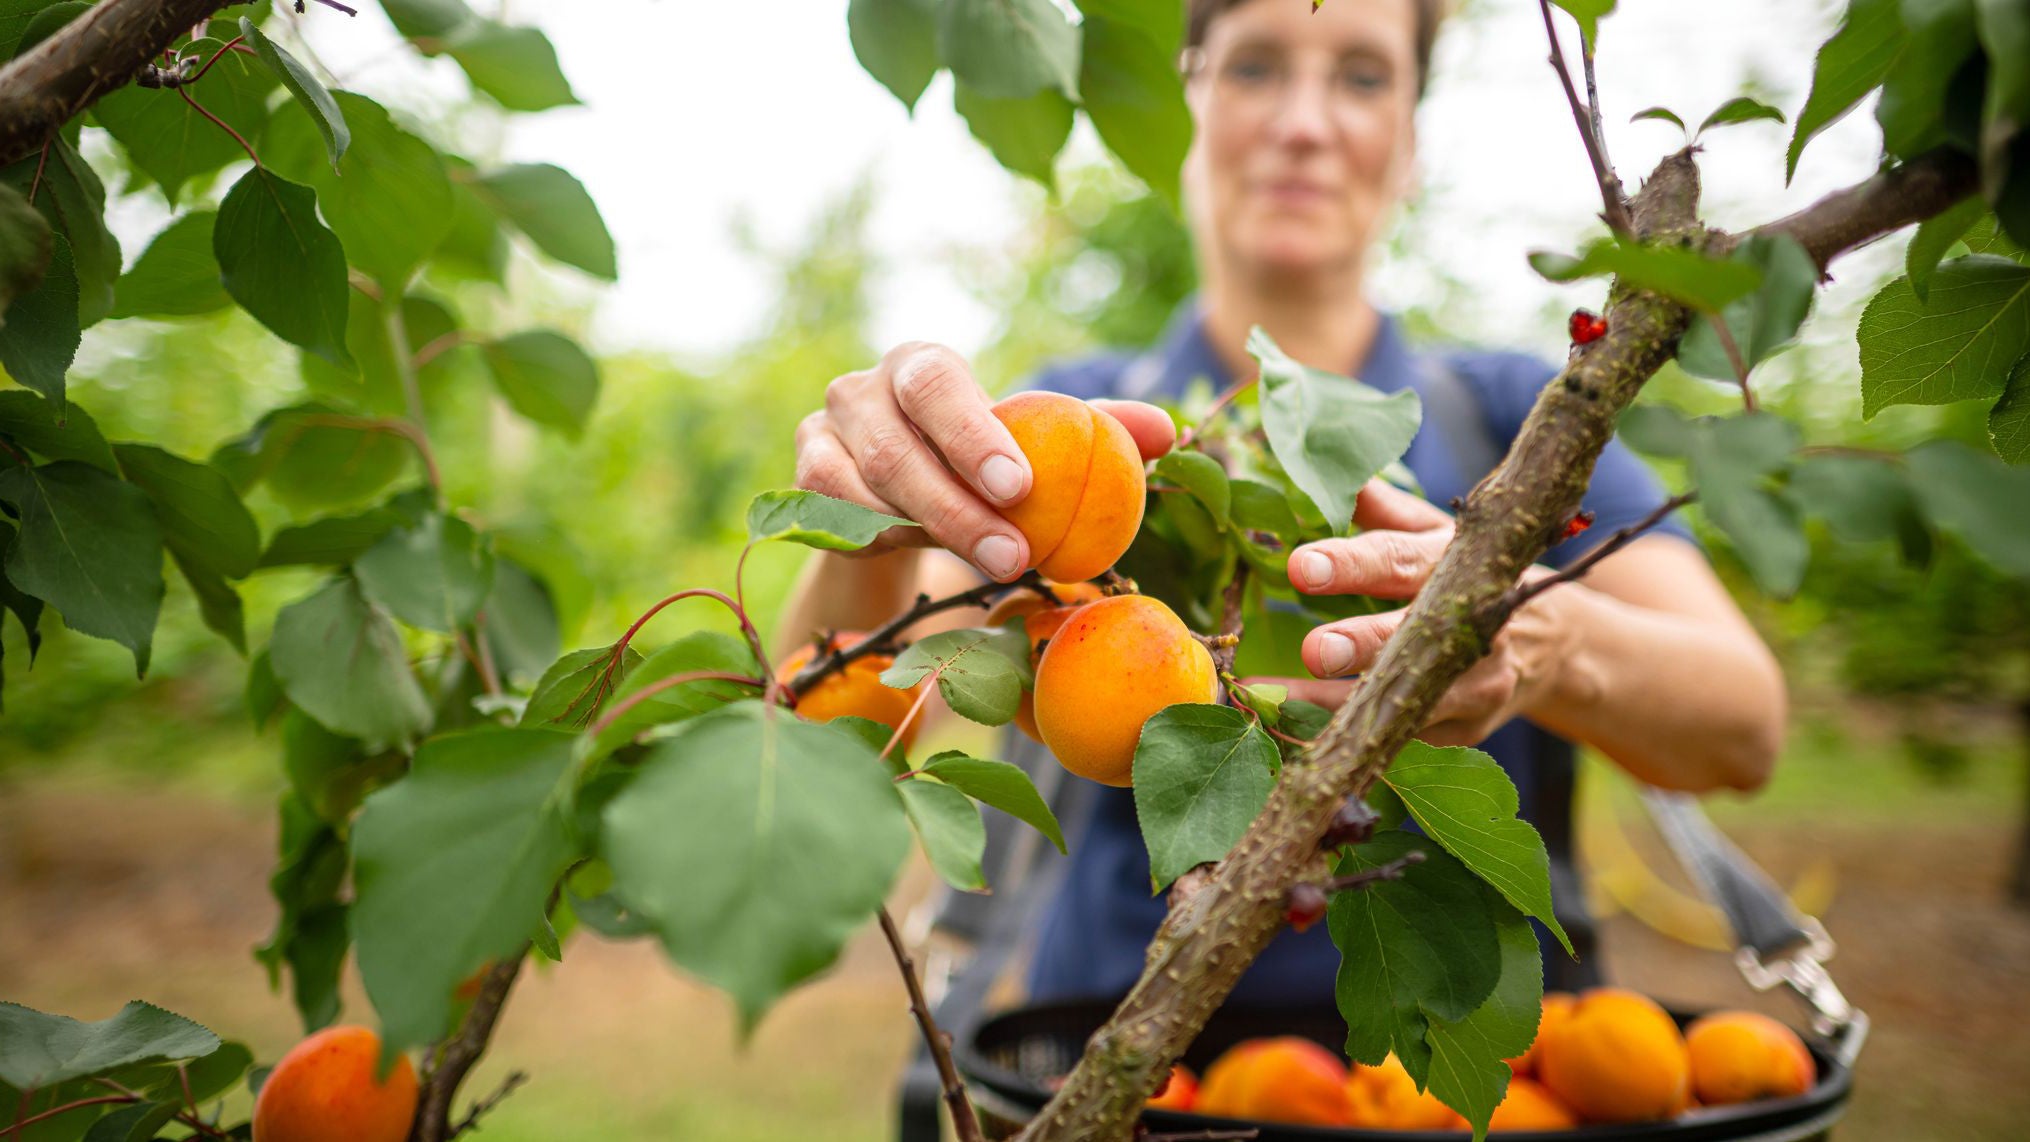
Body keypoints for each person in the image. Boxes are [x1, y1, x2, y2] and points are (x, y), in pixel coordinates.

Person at [780, 0, 1786, 1005]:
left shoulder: (1525, 420)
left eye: (1362, 76)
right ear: (1190, 100)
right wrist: (867, 516)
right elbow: (833, 741)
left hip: (1472, 1055)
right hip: (1104, 1043)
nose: (1303, 122)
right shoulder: (1073, 425)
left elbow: (1744, 727)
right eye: (1254, 66)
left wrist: (1540, 637)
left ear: (1410, 140)